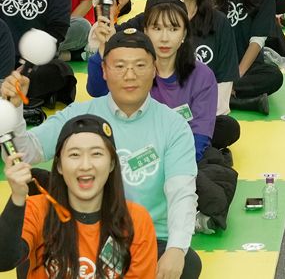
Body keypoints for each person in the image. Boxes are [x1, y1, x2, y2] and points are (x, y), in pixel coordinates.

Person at [1, 29, 202, 278]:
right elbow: (23, 153)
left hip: (145, 235)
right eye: (119, 66)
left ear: (154, 70)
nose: (130, 75)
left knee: (187, 262)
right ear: (104, 71)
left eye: (140, 65)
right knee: (32, 249)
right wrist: (14, 109)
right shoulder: (79, 116)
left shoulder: (173, 125)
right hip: (78, 227)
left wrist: (176, 248)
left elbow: (182, 192)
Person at [87, 0, 240, 233]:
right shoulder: (134, 69)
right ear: (145, 31)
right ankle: (187, 213)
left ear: (184, 34)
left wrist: (170, 163)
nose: (164, 37)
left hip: (181, 154)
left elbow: (199, 136)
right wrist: (103, 51)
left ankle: (174, 207)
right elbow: (96, 90)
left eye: (173, 28)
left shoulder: (201, 75)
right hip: (135, 156)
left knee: (222, 177)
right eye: (156, 28)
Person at [0, 114, 159, 277]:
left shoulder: (137, 220)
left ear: (111, 164)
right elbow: (3, 260)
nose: (85, 165)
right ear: (59, 165)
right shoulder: (36, 210)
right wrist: (18, 198)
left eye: (96, 154)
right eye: (74, 155)